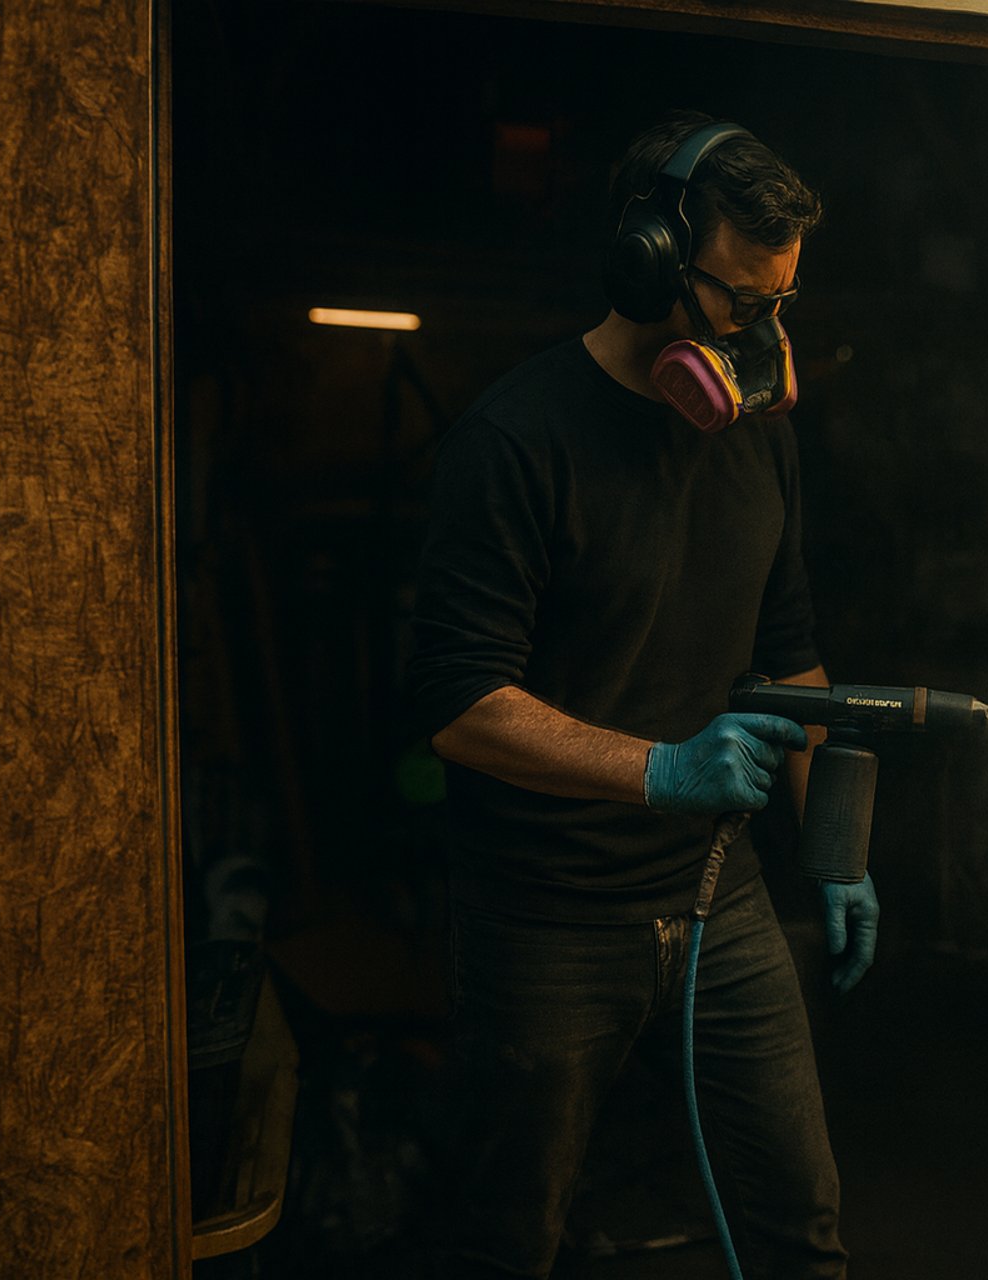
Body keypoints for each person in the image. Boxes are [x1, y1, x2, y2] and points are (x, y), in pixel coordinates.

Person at [408, 110, 869, 1280]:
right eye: (740, 302)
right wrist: (662, 768)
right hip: (547, 918)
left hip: (725, 898)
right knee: (504, 1240)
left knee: (800, 1227)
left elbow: (793, 646)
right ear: (650, 258)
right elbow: (460, 702)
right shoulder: (514, 443)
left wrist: (835, 843)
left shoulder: (757, 439)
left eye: (782, 305)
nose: (764, 337)